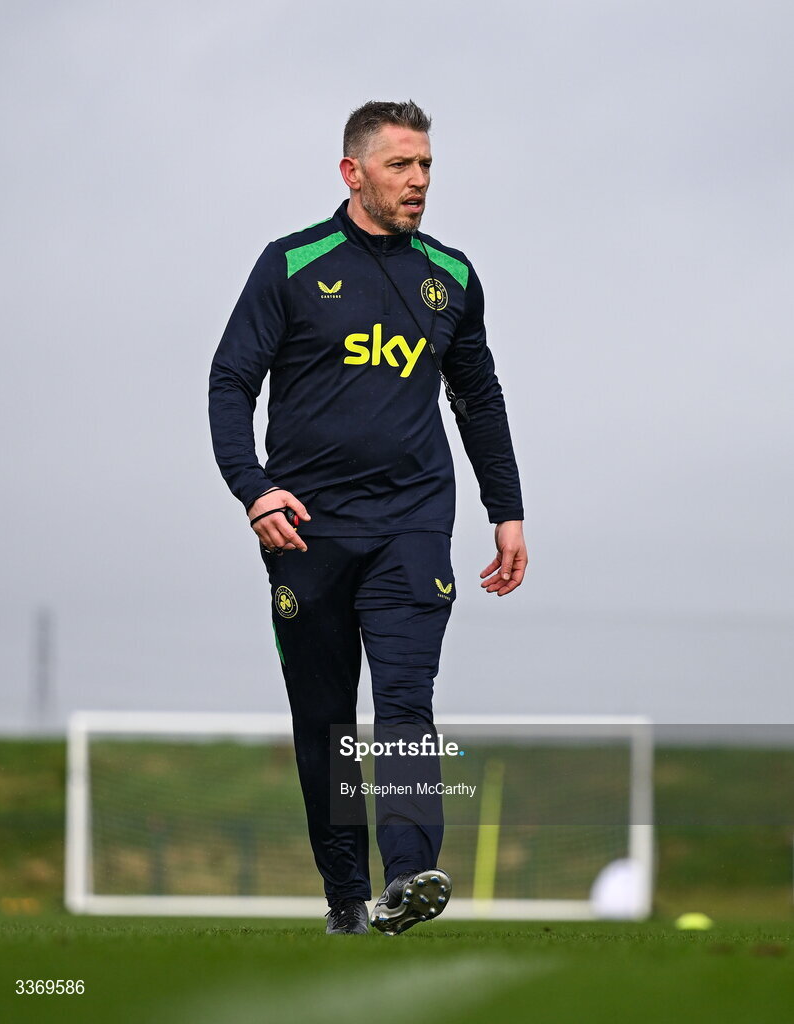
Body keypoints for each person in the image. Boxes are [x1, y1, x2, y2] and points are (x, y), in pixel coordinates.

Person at [209, 100, 527, 935]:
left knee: (404, 703)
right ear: (353, 172)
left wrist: (507, 510)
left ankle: (413, 875)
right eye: (400, 166)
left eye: (425, 165)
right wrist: (254, 488)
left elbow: (477, 397)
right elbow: (229, 384)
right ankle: (346, 897)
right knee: (324, 724)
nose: (418, 180)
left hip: (412, 521)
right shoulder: (290, 264)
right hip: (306, 528)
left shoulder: (451, 276)